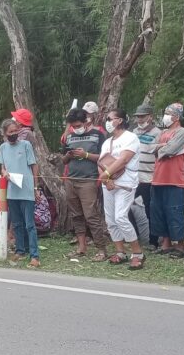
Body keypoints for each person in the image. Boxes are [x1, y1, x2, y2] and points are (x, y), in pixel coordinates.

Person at [98, 109, 143, 269]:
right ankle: (120, 252)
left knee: (120, 217)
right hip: (109, 185)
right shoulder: (106, 142)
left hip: (125, 184)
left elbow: (124, 159)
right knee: (110, 220)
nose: (107, 121)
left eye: (110, 119)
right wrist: (106, 179)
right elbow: (101, 162)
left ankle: (137, 253)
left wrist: (107, 174)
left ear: (120, 120)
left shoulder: (131, 138)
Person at [62, 107, 109, 261]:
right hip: (71, 179)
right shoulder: (69, 136)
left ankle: (101, 249)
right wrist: (68, 155)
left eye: (77, 125)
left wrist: (86, 155)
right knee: (76, 215)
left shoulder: (98, 135)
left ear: (86, 122)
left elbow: (104, 158)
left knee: (91, 216)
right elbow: (63, 160)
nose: (75, 129)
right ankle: (81, 247)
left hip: (89, 180)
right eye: (73, 126)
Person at [0, 118, 40, 268]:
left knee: (29, 224)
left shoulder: (26, 145)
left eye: (16, 131)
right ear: (5, 133)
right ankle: (20, 250)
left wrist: (36, 187)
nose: (14, 134)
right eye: (10, 132)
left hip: (27, 189)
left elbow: (34, 166)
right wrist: (5, 173)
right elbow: (2, 167)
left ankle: (35, 255)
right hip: (12, 190)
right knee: (16, 223)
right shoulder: (3, 147)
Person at [151, 102, 184, 257]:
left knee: (175, 212)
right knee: (159, 212)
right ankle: (166, 244)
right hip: (158, 178)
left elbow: (169, 150)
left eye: (169, 113)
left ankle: (180, 246)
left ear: (177, 116)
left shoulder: (182, 132)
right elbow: (153, 149)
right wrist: (162, 147)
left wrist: (162, 148)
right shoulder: (162, 132)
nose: (166, 116)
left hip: (175, 180)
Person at [132, 104, 162, 250]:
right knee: (126, 207)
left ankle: (153, 241)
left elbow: (159, 152)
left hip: (150, 177)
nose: (139, 119)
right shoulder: (133, 132)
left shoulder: (158, 133)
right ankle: (132, 236)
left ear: (150, 116)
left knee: (150, 210)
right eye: (138, 116)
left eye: (142, 116)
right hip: (133, 177)